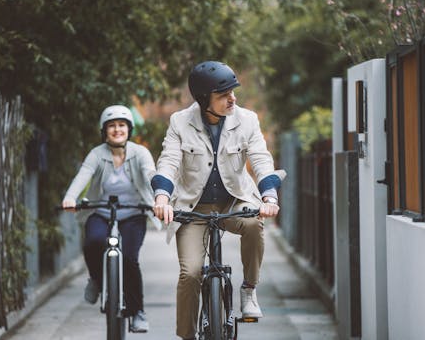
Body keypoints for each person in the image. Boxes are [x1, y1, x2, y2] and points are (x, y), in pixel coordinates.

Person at [151, 61, 285, 340]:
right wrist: (162, 198)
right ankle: (187, 335)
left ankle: (248, 288)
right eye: (224, 95)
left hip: (233, 202)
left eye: (233, 92)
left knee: (252, 225)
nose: (232, 98)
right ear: (203, 99)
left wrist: (268, 196)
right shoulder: (179, 122)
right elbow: (169, 162)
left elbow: (261, 159)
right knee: (190, 274)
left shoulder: (246, 119)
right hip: (192, 208)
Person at [62, 105, 161, 333]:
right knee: (93, 242)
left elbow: (150, 174)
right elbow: (83, 175)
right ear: (104, 130)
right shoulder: (97, 154)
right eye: (112, 126)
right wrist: (70, 197)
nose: (117, 129)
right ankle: (96, 279)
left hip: (133, 213)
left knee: (129, 259)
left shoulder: (140, 153)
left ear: (129, 129)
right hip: (102, 211)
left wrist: (159, 198)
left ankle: (137, 312)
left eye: (122, 125)